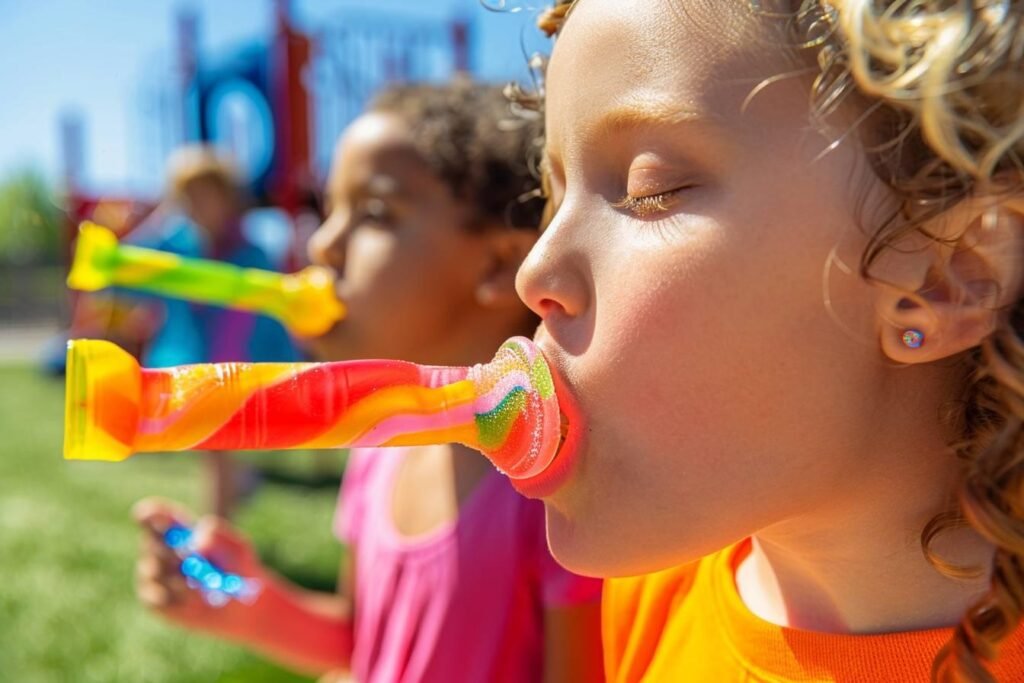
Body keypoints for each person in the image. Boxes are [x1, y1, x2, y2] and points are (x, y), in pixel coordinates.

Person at [511, 1, 1024, 681]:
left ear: (947, 273)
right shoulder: (653, 593)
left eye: (649, 189)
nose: (535, 273)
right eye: (554, 194)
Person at [134, 81, 604, 683]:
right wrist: (254, 609)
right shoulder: (378, 449)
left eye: (375, 213)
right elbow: (361, 642)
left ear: (497, 264)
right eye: (330, 212)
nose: (324, 244)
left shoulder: (555, 494)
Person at [126, 146, 297, 518]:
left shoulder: (249, 253)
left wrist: (283, 356)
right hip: (190, 363)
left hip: (238, 366)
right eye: (187, 197)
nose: (197, 205)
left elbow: (273, 310)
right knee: (211, 449)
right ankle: (235, 491)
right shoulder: (173, 248)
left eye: (206, 194)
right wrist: (156, 222)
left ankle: (218, 526)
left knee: (217, 450)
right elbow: (124, 271)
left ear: (227, 198)